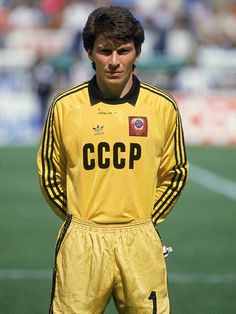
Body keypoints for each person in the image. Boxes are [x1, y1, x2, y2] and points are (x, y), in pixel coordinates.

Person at [37, 6, 188, 314]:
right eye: (105, 51)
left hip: (140, 239)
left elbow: (175, 173)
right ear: (90, 52)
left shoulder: (162, 107)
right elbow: (50, 175)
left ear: (138, 52)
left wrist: (145, 220)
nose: (115, 61)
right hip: (82, 240)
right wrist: (80, 217)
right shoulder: (65, 107)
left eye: (124, 50)